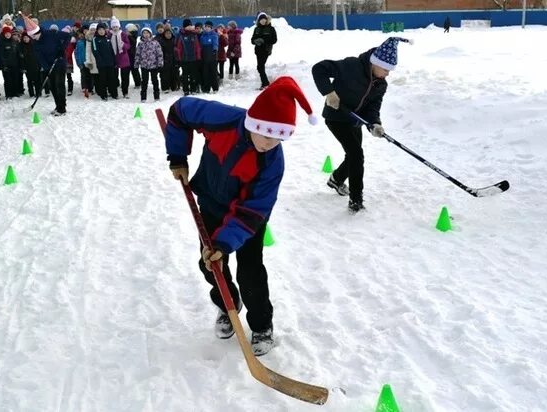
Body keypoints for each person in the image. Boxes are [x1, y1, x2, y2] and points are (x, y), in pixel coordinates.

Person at [164, 76, 317, 356]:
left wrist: (224, 245)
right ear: (253, 123)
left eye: (280, 138)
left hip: (248, 221)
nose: (271, 144)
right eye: (267, 135)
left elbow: (254, 209)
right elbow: (179, 112)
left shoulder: (272, 162)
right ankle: (228, 305)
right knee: (210, 266)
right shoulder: (222, 119)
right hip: (211, 204)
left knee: (251, 274)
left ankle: (261, 325)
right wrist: (177, 156)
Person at [311, 36, 411, 213]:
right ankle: (356, 200)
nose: (388, 73)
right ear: (375, 62)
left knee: (353, 155)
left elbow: (373, 107)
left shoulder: (381, 84)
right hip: (336, 117)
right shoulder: (351, 66)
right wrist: (329, 93)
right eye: (386, 69)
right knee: (357, 155)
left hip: (354, 121)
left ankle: (336, 179)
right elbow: (319, 69)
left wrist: (375, 123)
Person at [23, 15, 71, 115]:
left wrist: (62, 49)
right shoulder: (35, 43)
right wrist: (46, 67)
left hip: (60, 61)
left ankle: (62, 108)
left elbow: (67, 36)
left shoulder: (51, 33)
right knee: (52, 86)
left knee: (59, 84)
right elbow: (39, 57)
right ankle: (58, 106)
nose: (32, 38)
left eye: (33, 35)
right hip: (49, 66)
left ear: (37, 32)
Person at [134, 27, 163, 102]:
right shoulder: (140, 44)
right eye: (144, 33)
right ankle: (143, 97)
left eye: (147, 33)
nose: (146, 35)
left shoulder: (155, 43)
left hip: (154, 65)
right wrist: (136, 64)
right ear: (142, 34)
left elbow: (159, 53)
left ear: (150, 34)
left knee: (155, 81)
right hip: (144, 66)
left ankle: (157, 97)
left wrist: (160, 63)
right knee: (144, 82)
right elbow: (137, 54)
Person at [251, 12, 277, 90]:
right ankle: (265, 83)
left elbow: (274, 40)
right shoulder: (256, 29)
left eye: (264, 19)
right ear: (259, 21)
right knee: (260, 67)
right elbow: (252, 40)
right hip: (258, 51)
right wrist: (256, 41)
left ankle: (265, 83)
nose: (263, 21)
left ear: (266, 20)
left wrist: (263, 40)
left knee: (260, 67)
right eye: (261, 19)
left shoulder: (271, 29)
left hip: (266, 50)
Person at [176, 19, 201, 95]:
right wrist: (179, 59)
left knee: (193, 75)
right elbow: (179, 48)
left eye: (190, 25)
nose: (189, 27)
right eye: (187, 26)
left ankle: (193, 89)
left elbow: (197, 47)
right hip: (184, 60)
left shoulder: (194, 35)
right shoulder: (181, 35)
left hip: (193, 59)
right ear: (184, 27)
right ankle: (186, 90)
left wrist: (198, 57)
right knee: (185, 76)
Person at [110, 18, 132, 98]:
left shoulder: (123, 34)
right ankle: (114, 93)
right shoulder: (110, 35)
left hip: (123, 58)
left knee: (125, 77)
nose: (115, 28)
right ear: (111, 27)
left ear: (119, 26)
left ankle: (125, 92)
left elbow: (128, 45)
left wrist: (123, 45)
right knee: (114, 77)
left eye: (116, 26)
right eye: (113, 26)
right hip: (114, 58)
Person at [0, 27, 22, 98]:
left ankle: (15, 93)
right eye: (6, 33)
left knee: (15, 79)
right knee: (8, 80)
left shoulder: (14, 42)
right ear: (4, 34)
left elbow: (17, 52)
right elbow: (1, 55)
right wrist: (4, 65)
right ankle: (8, 94)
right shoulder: (1, 43)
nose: (8, 35)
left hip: (15, 64)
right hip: (6, 65)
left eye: (9, 33)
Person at [199, 21, 219, 94]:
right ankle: (206, 88)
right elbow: (200, 46)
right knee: (205, 73)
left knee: (213, 72)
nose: (207, 28)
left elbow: (215, 44)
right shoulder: (203, 36)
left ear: (211, 28)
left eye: (208, 27)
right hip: (204, 56)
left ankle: (215, 88)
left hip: (212, 56)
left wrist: (215, 50)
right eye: (206, 27)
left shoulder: (214, 35)